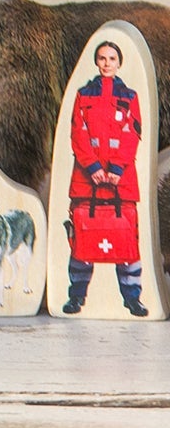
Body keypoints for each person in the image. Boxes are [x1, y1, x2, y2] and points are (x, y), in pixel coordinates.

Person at [62, 38, 148, 317]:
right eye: (102, 58)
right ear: (96, 61)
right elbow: (78, 133)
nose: (107, 63)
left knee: (126, 239)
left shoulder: (130, 97)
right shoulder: (83, 95)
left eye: (112, 59)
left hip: (120, 183)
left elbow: (132, 134)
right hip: (87, 181)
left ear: (119, 63)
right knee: (83, 240)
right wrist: (93, 168)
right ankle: (76, 297)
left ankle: (133, 299)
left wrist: (116, 169)